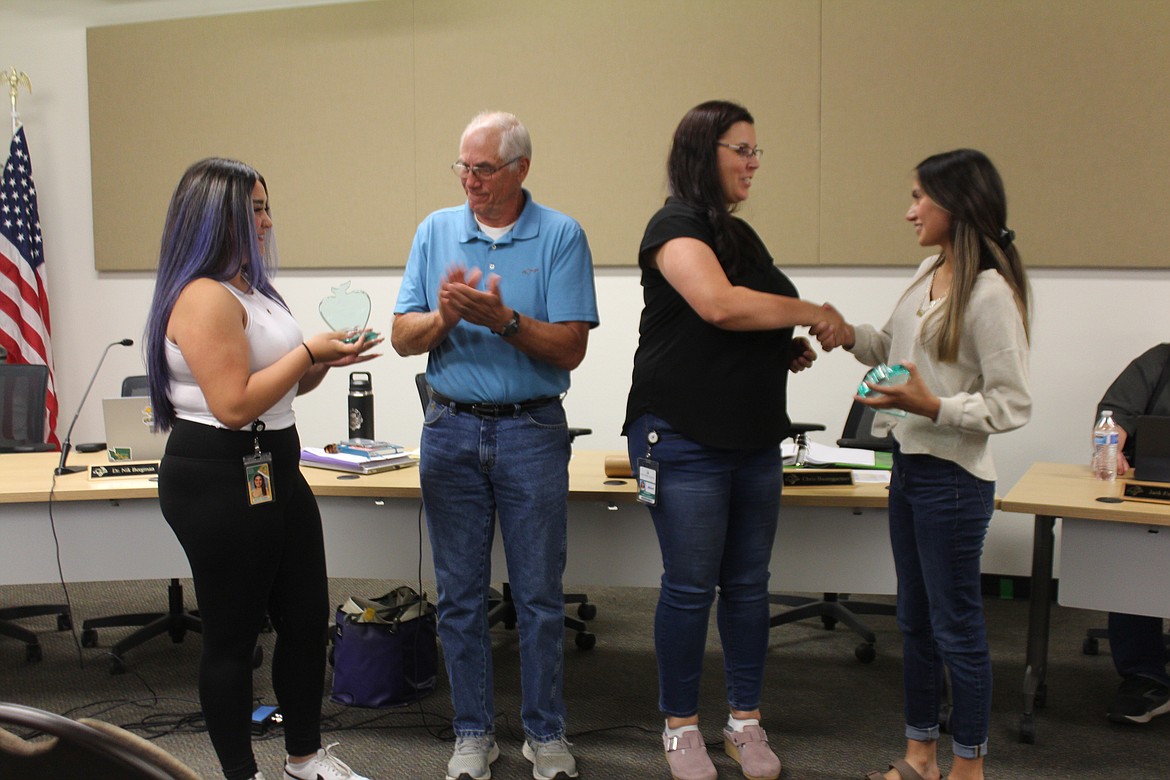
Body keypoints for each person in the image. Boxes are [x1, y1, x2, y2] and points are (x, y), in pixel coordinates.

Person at [622, 99, 844, 780]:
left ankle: (745, 722)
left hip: (751, 438)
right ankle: (680, 727)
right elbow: (716, 304)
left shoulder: (740, 236)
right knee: (691, 587)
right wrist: (813, 314)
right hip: (681, 436)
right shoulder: (675, 225)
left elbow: (735, 324)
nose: (752, 163)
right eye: (740, 149)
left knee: (748, 587)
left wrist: (778, 350)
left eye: (756, 152)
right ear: (703, 152)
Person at [144, 158, 380, 780]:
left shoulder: (251, 288)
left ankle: (303, 758)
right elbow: (232, 403)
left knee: (306, 620)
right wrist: (308, 350)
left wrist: (325, 358)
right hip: (217, 474)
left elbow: (279, 388)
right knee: (233, 637)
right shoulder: (202, 297)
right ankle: (239, 773)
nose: (268, 221)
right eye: (254, 210)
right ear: (217, 217)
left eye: (267, 206)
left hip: (274, 460)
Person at [391, 111, 599, 780]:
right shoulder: (434, 231)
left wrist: (504, 321)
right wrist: (445, 318)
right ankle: (473, 733)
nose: (471, 181)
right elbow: (402, 336)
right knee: (458, 596)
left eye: (484, 168)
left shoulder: (562, 235)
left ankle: (546, 734)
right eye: (463, 167)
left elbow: (571, 346)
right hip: (449, 429)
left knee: (538, 596)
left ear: (520, 170)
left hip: (532, 431)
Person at [815, 149, 1031, 780]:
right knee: (914, 620)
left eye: (919, 198)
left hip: (955, 483)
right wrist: (844, 332)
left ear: (955, 205)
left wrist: (931, 405)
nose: (909, 210)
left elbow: (1011, 403)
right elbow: (890, 349)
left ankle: (969, 767)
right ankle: (919, 756)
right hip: (909, 470)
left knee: (956, 626)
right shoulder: (928, 271)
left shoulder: (989, 292)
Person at [1095, 344, 1170, 724]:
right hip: (1153, 494)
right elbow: (1114, 412)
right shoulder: (1160, 361)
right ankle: (1144, 677)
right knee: (1134, 555)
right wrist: (1113, 444)